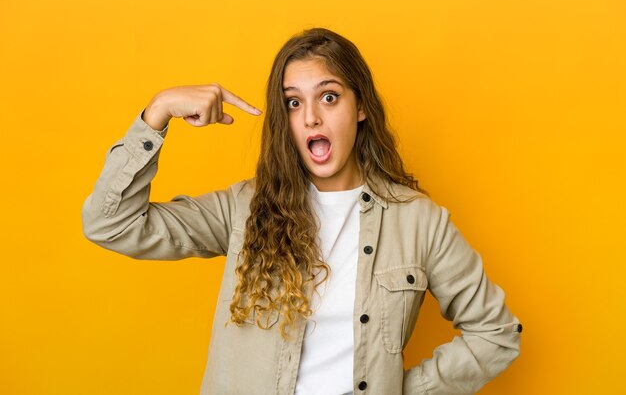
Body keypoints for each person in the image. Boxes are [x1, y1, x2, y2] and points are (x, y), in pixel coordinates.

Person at [82, 27, 522, 395]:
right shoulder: (244, 209)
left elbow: (496, 334)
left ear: (361, 106)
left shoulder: (418, 222)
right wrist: (156, 113)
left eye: (328, 97)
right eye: (294, 102)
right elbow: (111, 224)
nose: (311, 117)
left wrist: (399, 390)